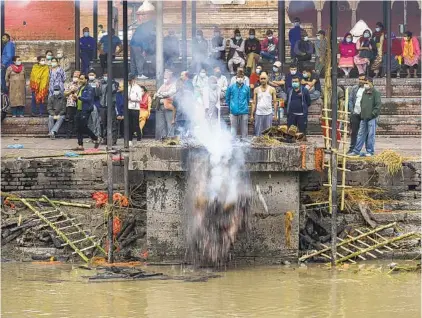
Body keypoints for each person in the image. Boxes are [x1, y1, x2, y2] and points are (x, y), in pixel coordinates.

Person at [349, 77, 381, 157]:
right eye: (365, 83)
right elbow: (361, 103)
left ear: (371, 83)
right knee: (360, 134)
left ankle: (370, 151)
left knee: (370, 135)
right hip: (363, 117)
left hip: (371, 117)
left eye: (366, 83)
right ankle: (356, 151)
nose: (365, 85)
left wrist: (373, 114)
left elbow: (378, 105)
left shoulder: (376, 92)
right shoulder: (364, 92)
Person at [130, 0, 156, 79]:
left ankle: (133, 73)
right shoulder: (149, 27)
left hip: (132, 44)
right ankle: (140, 74)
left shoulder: (143, 26)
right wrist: (144, 50)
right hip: (138, 45)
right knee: (139, 59)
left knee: (133, 59)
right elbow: (145, 39)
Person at [74, 74, 100, 150]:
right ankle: (80, 145)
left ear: (86, 80)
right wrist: (75, 99)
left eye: (82, 79)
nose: (80, 80)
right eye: (80, 79)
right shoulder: (80, 88)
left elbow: (88, 99)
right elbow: (79, 98)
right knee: (78, 127)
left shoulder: (89, 88)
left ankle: (95, 138)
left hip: (85, 109)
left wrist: (78, 97)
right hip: (78, 109)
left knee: (83, 126)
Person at [251, 72, 277, 136]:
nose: (263, 80)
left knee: (268, 133)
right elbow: (254, 103)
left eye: (264, 78)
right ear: (259, 79)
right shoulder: (256, 89)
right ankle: (258, 145)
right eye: (261, 79)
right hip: (258, 113)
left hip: (268, 113)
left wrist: (275, 115)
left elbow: (275, 102)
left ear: (267, 79)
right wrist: (252, 115)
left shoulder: (272, 89)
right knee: (258, 133)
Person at [226, 71, 250, 139]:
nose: (240, 78)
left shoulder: (247, 88)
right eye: (238, 77)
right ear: (236, 78)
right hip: (233, 111)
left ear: (244, 78)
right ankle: (233, 142)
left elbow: (248, 99)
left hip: (244, 111)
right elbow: (227, 98)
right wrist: (231, 107)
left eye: (241, 77)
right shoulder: (231, 87)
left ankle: (244, 142)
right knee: (233, 129)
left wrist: (245, 106)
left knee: (244, 129)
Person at [347, 74, 366, 154]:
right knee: (354, 132)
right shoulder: (354, 88)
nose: (360, 81)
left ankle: (365, 150)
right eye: (359, 79)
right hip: (355, 113)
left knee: (364, 132)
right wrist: (352, 110)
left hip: (364, 114)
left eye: (362, 79)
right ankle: (352, 149)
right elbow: (350, 100)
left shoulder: (368, 89)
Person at [155, 70, 176, 139]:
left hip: (168, 106)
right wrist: (162, 95)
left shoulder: (173, 85)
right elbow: (156, 94)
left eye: (166, 78)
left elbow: (169, 93)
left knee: (170, 123)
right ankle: (163, 138)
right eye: (164, 78)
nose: (165, 79)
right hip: (160, 106)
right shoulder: (163, 85)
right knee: (162, 124)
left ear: (170, 78)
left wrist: (161, 94)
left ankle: (170, 138)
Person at [99, 72, 119, 144]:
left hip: (111, 106)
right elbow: (98, 93)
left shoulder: (114, 83)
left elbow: (113, 90)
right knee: (104, 124)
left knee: (112, 123)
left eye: (107, 76)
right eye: (104, 75)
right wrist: (98, 86)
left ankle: (113, 139)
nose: (105, 77)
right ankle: (105, 139)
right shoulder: (101, 84)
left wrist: (109, 83)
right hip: (103, 106)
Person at [127, 74, 143, 146]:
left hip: (135, 108)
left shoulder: (138, 88)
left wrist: (131, 99)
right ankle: (129, 139)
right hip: (129, 107)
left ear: (133, 80)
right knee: (129, 124)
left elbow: (140, 99)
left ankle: (139, 138)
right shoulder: (128, 87)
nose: (129, 82)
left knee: (136, 124)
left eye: (130, 80)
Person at [64, 71, 81, 138]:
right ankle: (69, 133)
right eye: (74, 76)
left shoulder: (80, 85)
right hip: (70, 103)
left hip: (78, 103)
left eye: (77, 76)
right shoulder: (69, 84)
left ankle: (77, 133)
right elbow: (65, 93)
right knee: (70, 119)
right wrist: (70, 92)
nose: (75, 78)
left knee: (78, 119)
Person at [87, 69, 102, 140]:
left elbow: (98, 94)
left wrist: (97, 87)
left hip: (95, 103)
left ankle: (97, 135)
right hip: (87, 104)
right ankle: (92, 136)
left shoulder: (98, 82)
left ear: (95, 75)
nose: (91, 76)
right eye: (90, 75)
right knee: (89, 122)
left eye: (92, 75)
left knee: (95, 120)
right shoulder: (87, 83)